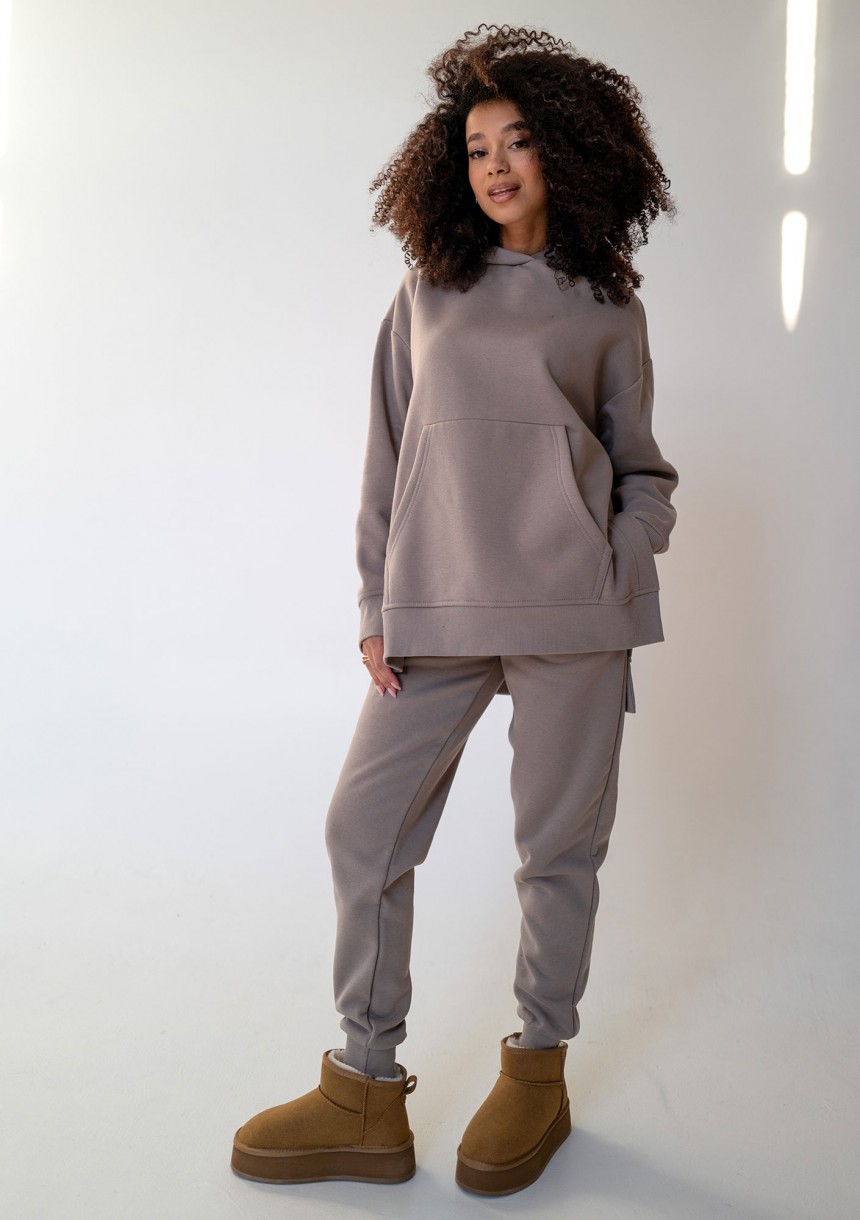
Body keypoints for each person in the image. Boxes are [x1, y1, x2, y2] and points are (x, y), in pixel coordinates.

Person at [230, 22, 679, 1197]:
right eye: (475, 147)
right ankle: (362, 1087)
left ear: (563, 153)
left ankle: (537, 1067)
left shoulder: (606, 305)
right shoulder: (427, 289)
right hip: (437, 605)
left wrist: (617, 555)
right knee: (362, 827)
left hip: (574, 616)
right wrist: (375, 600)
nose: (494, 165)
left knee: (555, 851)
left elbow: (643, 471)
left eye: (515, 141)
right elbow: (386, 453)